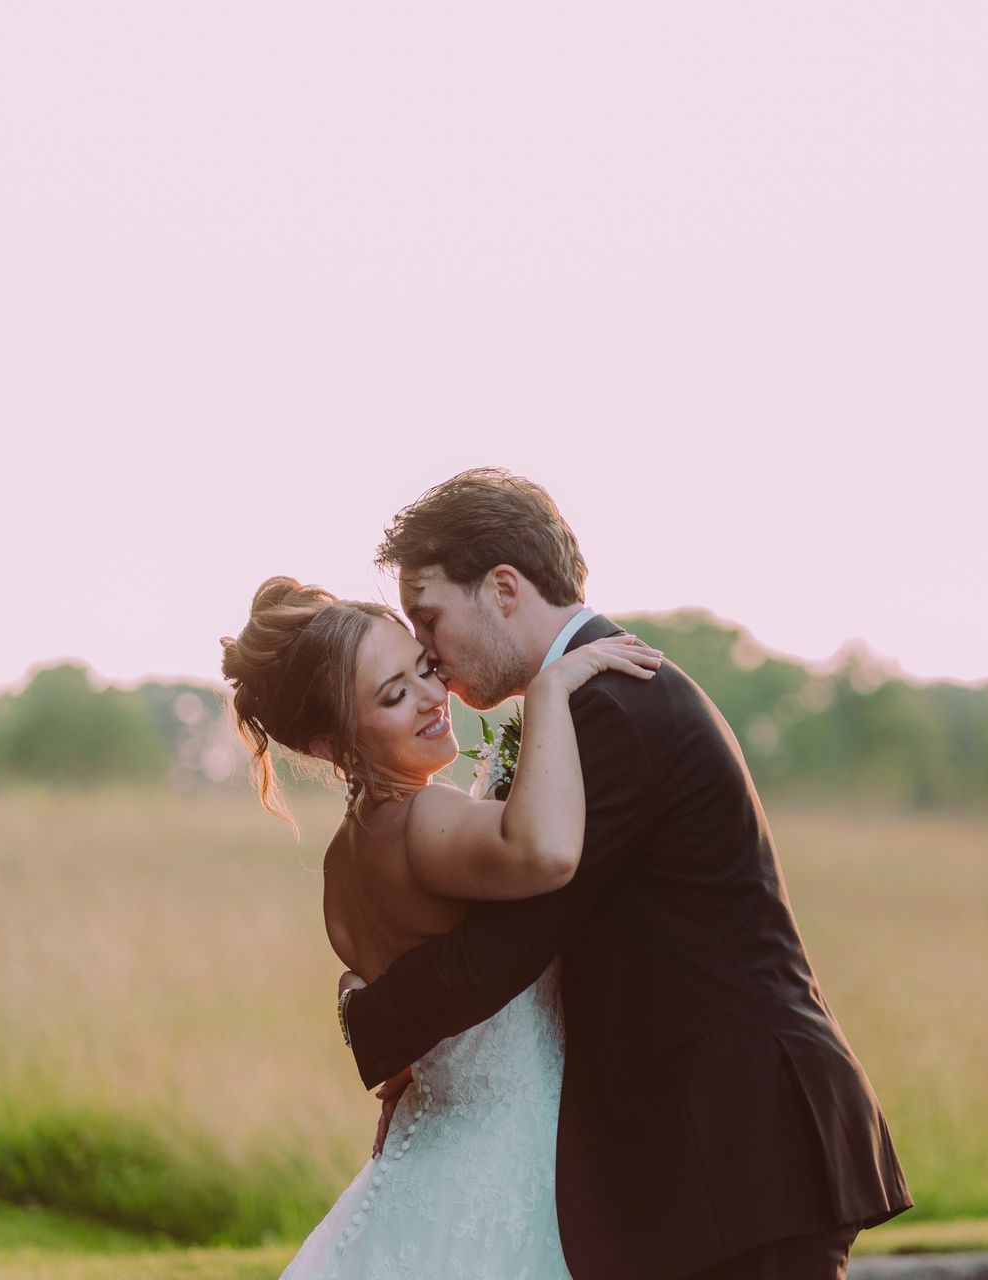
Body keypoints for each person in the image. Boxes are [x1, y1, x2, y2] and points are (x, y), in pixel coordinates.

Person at [340, 469, 911, 1279]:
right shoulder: (574, 711)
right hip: (709, 1155)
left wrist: (364, 1013)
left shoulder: (610, 708)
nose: (426, 650)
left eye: (429, 615)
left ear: (503, 588)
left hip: (743, 1145)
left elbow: (505, 950)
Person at [220, 575, 664, 1278]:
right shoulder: (427, 821)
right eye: (393, 695)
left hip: (423, 1162)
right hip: (512, 1165)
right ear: (335, 744)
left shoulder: (343, 865)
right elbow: (543, 849)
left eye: (424, 670)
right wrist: (546, 692)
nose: (432, 698)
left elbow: (400, 1012)